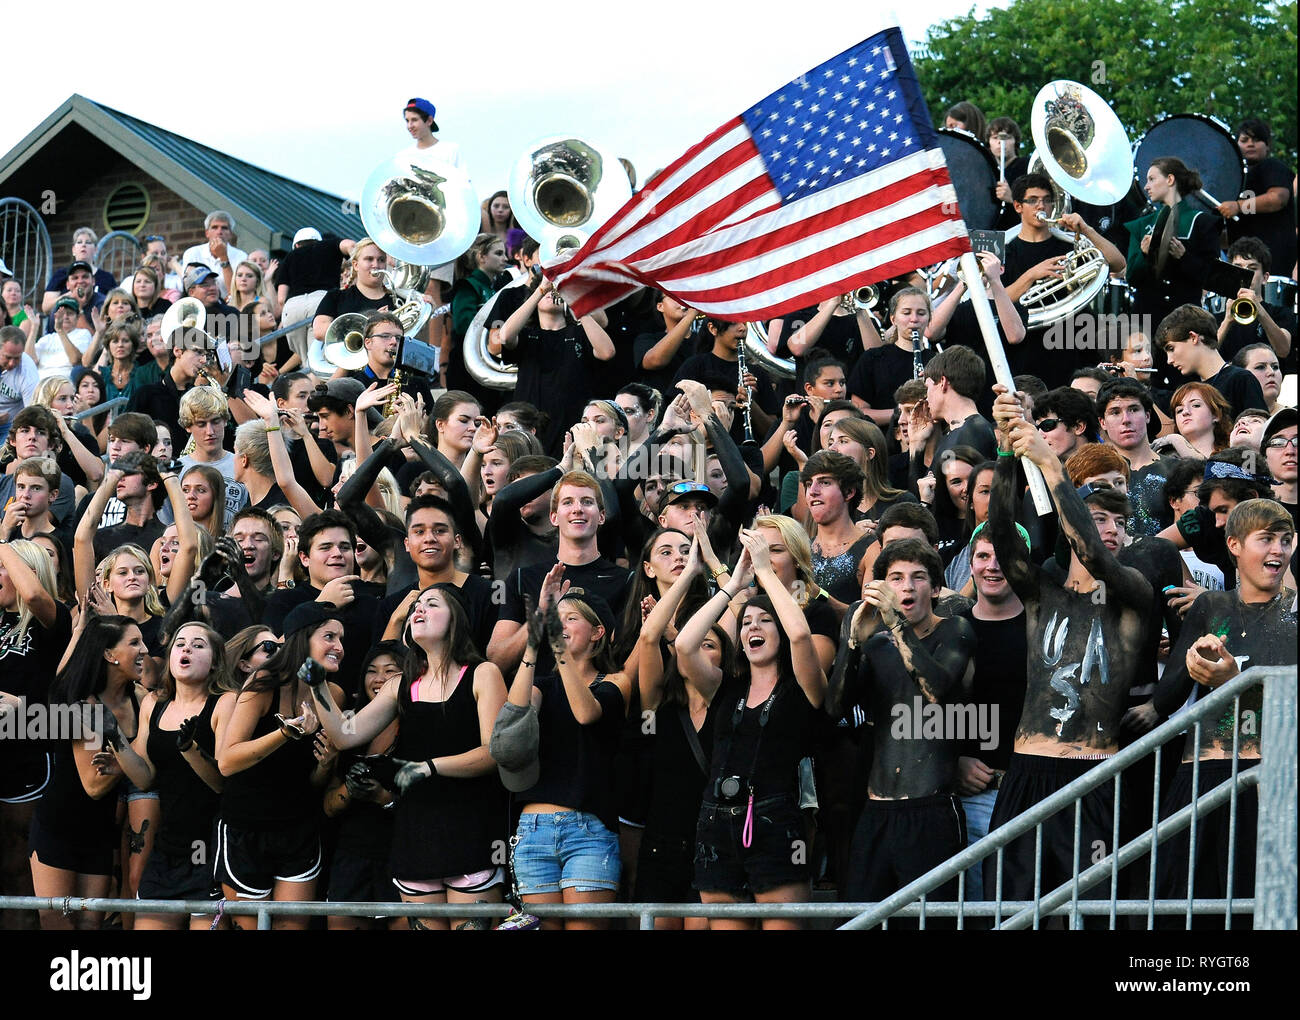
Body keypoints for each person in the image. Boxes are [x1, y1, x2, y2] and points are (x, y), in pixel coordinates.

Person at [983, 385, 1154, 911]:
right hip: (1027, 769)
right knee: (1011, 909)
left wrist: (1051, 466)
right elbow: (1004, 541)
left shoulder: (1133, 592)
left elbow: (1099, 562)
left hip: (1093, 772)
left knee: (1094, 913)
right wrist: (1010, 452)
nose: (1113, 531)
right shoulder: (1042, 593)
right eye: (1100, 518)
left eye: (1121, 523)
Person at [310, 586, 509, 930]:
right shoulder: (401, 685)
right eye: (416, 605)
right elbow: (345, 735)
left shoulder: (482, 673)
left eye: (432, 604)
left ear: (456, 620)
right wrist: (316, 686)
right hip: (415, 834)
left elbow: (494, 753)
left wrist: (430, 767)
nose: (419, 610)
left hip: (470, 830)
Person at [1146, 499, 1295, 927]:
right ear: (1233, 544)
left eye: (1285, 541)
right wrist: (1192, 660)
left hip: (1269, 778)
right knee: (1182, 906)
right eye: (1265, 539)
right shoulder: (1211, 606)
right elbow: (1172, 688)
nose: (1278, 551)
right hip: (1199, 775)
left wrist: (1233, 683)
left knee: (1261, 907)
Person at [681, 529, 827, 929]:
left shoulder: (802, 688)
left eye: (765, 621)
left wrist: (764, 571)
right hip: (715, 822)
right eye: (746, 623)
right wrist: (731, 586)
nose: (753, 627)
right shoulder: (725, 687)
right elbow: (684, 646)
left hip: (776, 823)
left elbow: (800, 633)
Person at [829, 537, 976, 907]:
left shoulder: (955, 629)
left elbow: (936, 690)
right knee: (861, 916)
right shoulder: (876, 644)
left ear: (937, 588)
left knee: (931, 920)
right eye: (896, 578)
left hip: (932, 809)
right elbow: (834, 709)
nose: (907, 586)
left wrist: (895, 624)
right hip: (876, 810)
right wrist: (851, 641)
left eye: (918, 577)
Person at [491, 572, 629, 930]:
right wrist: (534, 643)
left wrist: (559, 650)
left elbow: (586, 713)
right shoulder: (541, 684)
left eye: (571, 618)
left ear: (598, 631)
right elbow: (514, 721)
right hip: (532, 827)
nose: (561, 624)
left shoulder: (616, 682)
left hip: (589, 829)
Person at [214, 601, 345, 927]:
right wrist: (284, 734)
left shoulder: (334, 695)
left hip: (298, 827)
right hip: (247, 827)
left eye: (343, 639)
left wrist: (325, 765)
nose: (339, 647)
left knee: (293, 926)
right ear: (303, 638)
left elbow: (312, 783)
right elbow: (228, 762)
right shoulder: (263, 682)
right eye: (329, 636)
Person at [97, 622, 225, 929]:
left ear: (216, 661)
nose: (186, 649)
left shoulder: (226, 702)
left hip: (211, 849)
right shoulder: (154, 703)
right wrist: (115, 737)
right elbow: (144, 778)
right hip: (168, 847)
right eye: (180, 643)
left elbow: (223, 783)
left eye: (198, 645)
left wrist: (190, 748)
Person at [29, 614, 145, 930]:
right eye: (134, 643)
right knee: (59, 925)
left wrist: (128, 762)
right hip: (58, 830)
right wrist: (133, 763)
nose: (144, 649)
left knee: (91, 927)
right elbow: (94, 784)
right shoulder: (84, 706)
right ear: (109, 654)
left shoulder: (141, 699)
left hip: (99, 833)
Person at [954, 523, 1027, 895]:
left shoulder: (1042, 625)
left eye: (1004, 557)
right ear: (970, 564)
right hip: (976, 796)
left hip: (1033, 792)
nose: (992, 566)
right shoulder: (952, 629)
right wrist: (956, 761)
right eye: (983, 556)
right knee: (978, 910)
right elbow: (926, 707)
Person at [0, 539, 69, 930]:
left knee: (17, 864)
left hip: (29, 754)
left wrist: (3, 541)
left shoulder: (51, 620)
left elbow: (32, 593)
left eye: (4, 567)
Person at [497, 275, 616, 456]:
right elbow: (504, 336)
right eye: (549, 289)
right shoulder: (527, 334)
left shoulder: (580, 332)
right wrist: (540, 290)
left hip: (571, 423)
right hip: (531, 425)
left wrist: (576, 301)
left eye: (557, 289)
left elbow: (607, 352)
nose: (552, 292)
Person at [1126, 159, 1224, 379]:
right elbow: (1131, 275)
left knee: (1185, 385)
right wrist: (1143, 255)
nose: (1146, 186)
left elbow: (1212, 278)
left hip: (1187, 326)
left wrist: (1184, 257)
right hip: (1147, 323)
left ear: (1170, 179)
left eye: (1152, 179)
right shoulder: (1141, 225)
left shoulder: (1203, 222)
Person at [1156, 305, 1266, 419]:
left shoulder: (1241, 380)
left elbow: (1259, 429)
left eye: (1171, 348)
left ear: (1193, 337)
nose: (1169, 360)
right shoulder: (1190, 390)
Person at [846, 287, 936, 426]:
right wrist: (903, 412)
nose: (914, 319)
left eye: (921, 313)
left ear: (929, 319)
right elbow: (859, 413)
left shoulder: (938, 362)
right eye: (906, 313)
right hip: (883, 442)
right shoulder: (872, 359)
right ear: (893, 319)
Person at [1096, 378, 1174, 537]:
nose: (1126, 420)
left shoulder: (1177, 470)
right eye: (1115, 412)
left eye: (1133, 409)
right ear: (1102, 422)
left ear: (1147, 415)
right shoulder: (1093, 475)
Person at [1220, 118, 1297, 278]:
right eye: (1244, 140)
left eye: (1257, 140)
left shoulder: (1272, 166)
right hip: (1240, 263)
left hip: (1273, 263)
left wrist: (1239, 206)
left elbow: (1278, 199)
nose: (1250, 144)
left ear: (1267, 145)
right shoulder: (1231, 179)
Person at [1214, 237, 1293, 363]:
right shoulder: (1216, 319)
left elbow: (1283, 350)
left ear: (1265, 278)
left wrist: (1260, 310)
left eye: (1252, 268)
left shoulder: (1280, 313)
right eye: (1238, 267)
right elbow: (1206, 356)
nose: (1244, 273)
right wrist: (1227, 321)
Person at [312, 239, 392, 346]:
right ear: (355, 265)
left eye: (381, 260)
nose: (376, 265)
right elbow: (319, 330)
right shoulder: (336, 297)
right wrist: (367, 324)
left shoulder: (397, 300)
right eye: (369, 259)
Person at [41, 229, 116, 315]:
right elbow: (46, 308)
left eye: (88, 242)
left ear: (95, 250)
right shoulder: (61, 274)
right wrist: (69, 296)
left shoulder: (107, 277)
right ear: (73, 249)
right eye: (79, 242)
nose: (83, 245)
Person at [182, 211, 248, 299]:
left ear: (230, 234)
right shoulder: (192, 253)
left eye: (224, 228)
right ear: (207, 233)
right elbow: (188, 286)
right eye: (214, 227)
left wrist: (223, 257)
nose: (219, 232)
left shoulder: (241, 256)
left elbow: (237, 292)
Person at [30, 296, 92, 380]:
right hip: (41, 382)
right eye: (62, 314)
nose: (66, 317)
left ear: (77, 317)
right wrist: (34, 328)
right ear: (55, 316)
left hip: (65, 382)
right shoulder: (47, 338)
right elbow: (30, 361)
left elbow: (75, 361)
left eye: (70, 313)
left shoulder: (83, 334)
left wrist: (60, 331)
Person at [0, 327, 40, 446]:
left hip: (12, 425)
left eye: (17, 358)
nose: (12, 363)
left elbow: (32, 413)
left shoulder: (27, 372)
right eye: (7, 357)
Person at [1234, 343, 1283, 414]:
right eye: (1260, 367)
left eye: (1275, 367)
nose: (1271, 372)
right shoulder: (1223, 419)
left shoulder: (1293, 417)